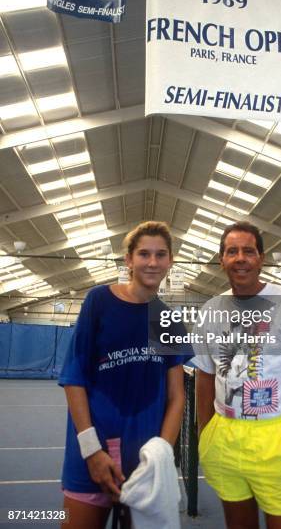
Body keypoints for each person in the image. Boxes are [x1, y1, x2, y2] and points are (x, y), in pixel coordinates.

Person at [59, 221, 192, 529]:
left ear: (170, 261)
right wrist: (92, 451)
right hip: (90, 460)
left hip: (145, 467)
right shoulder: (98, 302)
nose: (153, 262)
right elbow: (74, 378)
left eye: (161, 255)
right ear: (129, 260)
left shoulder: (170, 321)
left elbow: (177, 396)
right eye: (144, 254)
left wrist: (159, 455)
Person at [192, 221, 281, 529]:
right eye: (232, 251)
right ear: (221, 259)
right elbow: (205, 377)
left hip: (276, 439)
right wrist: (205, 434)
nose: (240, 258)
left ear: (261, 258)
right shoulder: (211, 310)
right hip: (224, 438)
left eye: (248, 251)